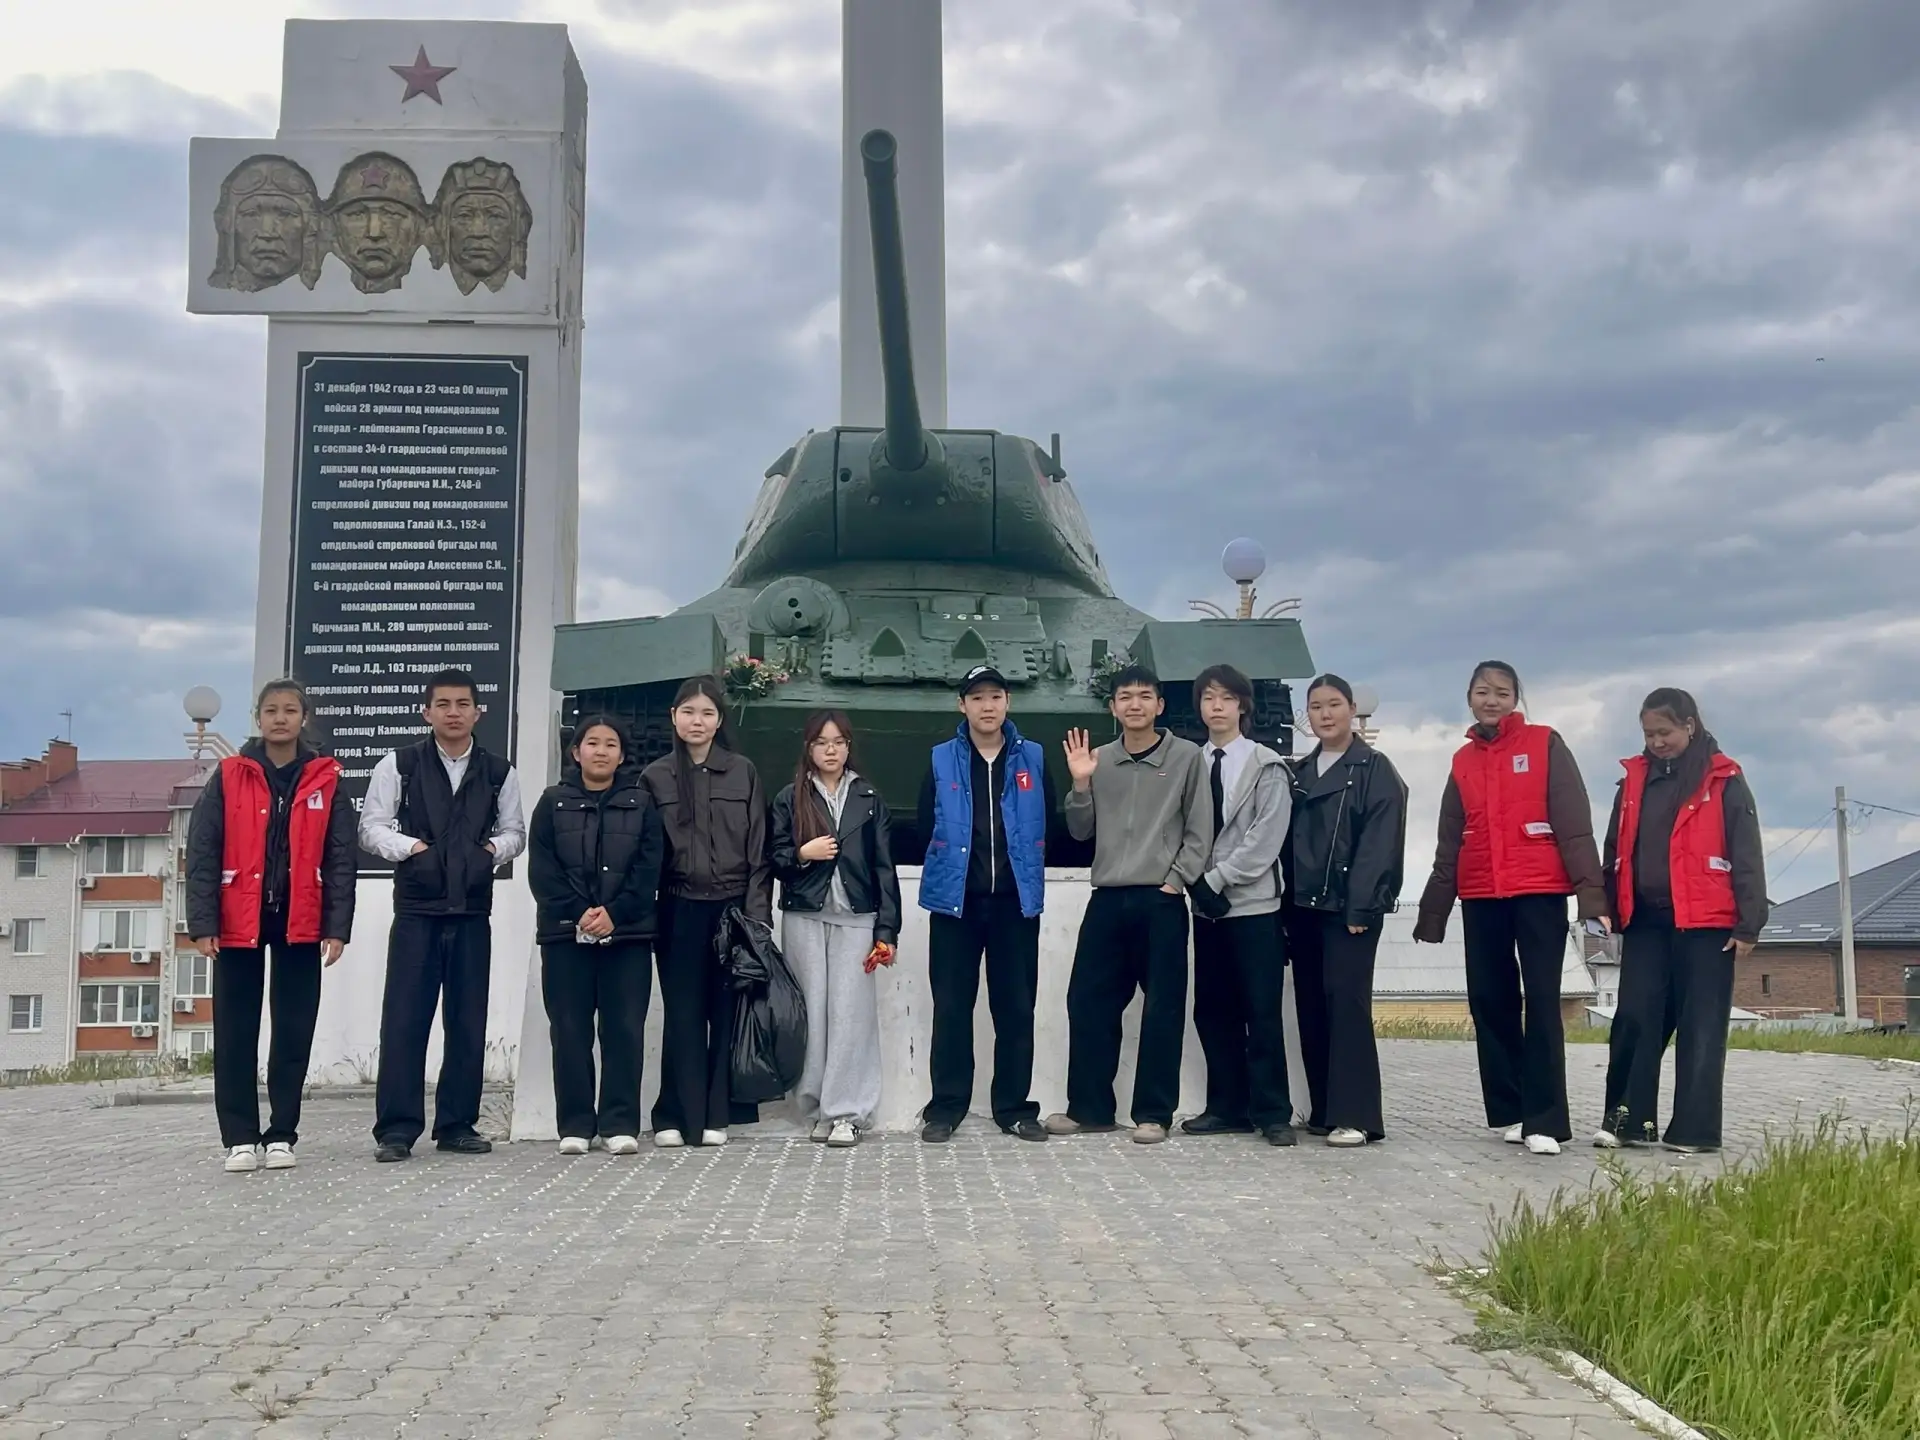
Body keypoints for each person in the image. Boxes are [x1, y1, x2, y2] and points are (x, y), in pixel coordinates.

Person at [1413, 662, 1606, 1156]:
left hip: (1539, 892)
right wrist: (1434, 911)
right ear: (1469, 698)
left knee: (1542, 1001)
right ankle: (1513, 1109)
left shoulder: (1545, 744)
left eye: (1502, 692)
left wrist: (1591, 894)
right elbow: (1449, 839)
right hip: (1481, 895)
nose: (1492, 700)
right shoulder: (1462, 761)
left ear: (1515, 698)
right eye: (1483, 692)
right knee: (1489, 1000)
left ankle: (1546, 1119)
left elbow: (1574, 823)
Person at [185, 679, 356, 1173]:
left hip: (300, 919)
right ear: (257, 718)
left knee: (293, 1030)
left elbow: (340, 859)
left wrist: (337, 926)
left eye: (290, 710)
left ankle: (282, 1134)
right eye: (271, 710)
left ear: (305, 718)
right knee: (235, 1031)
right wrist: (203, 922)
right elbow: (203, 851)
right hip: (237, 920)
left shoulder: (326, 778)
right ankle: (240, 1138)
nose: (280, 718)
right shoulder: (229, 775)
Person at [359, 667, 526, 1163]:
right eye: (444, 704)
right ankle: (396, 1129)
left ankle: (457, 1124)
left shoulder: (499, 772)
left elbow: (515, 832)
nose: (454, 713)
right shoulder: (400, 765)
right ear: (426, 712)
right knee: (404, 1021)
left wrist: (488, 852)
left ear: (478, 712)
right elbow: (371, 828)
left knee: (467, 1020)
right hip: (416, 910)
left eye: (463, 704)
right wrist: (413, 849)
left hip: (472, 910)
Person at [1595, 688, 1765, 1154]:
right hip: (1646, 921)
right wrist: (1606, 903)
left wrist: (1749, 923)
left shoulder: (1724, 779)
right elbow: (1614, 848)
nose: (1656, 742)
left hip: (1708, 924)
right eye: (1649, 733)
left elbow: (1746, 850)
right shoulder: (1633, 780)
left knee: (1701, 1026)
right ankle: (1628, 1121)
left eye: (1664, 732)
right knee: (1634, 1018)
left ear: (1689, 725)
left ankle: (1695, 1131)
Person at [1048, 664, 1210, 1145]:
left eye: (1144, 696)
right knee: (1087, 1003)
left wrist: (1176, 881)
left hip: (1161, 899)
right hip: (1107, 898)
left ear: (1160, 705)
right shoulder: (1098, 759)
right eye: (1125, 697)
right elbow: (1080, 831)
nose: (1134, 704)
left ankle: (1154, 1114)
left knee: (1162, 1008)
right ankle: (1089, 1109)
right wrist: (1080, 784)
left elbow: (1200, 829)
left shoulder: (1187, 757)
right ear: (1112, 707)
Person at [916, 665, 1056, 1144]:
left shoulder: (1033, 757)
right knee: (952, 1009)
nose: (987, 706)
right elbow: (924, 825)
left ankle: (1014, 1109)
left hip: (1015, 905)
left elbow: (1049, 823)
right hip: (955, 905)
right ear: (962, 706)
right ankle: (945, 1108)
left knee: (1015, 1009)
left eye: (995, 696)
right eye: (977, 698)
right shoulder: (941, 758)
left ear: (1008, 702)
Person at [640, 675, 773, 1148]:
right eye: (688, 712)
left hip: (732, 910)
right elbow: (644, 854)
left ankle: (718, 1113)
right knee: (682, 1014)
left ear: (719, 722)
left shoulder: (742, 772)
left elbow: (759, 852)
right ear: (674, 717)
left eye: (707, 713)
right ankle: (673, 1115)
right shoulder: (655, 776)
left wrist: (757, 919)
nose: (697, 721)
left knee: (726, 1010)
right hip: (677, 908)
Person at [527, 716, 664, 1158]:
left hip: (627, 936)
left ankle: (619, 1124)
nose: (601, 751)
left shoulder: (642, 804)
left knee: (624, 1030)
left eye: (610, 744)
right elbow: (543, 870)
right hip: (565, 936)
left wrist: (615, 914)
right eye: (592, 743)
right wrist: (579, 913)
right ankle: (575, 1125)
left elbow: (649, 869)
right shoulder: (552, 803)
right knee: (570, 1030)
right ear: (576, 751)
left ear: (622, 756)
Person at [1283, 673, 1408, 1147]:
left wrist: (1362, 905)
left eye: (1334, 704)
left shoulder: (1374, 769)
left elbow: (1380, 844)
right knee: (1311, 1005)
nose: (1326, 714)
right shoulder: (1299, 772)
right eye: (1316, 706)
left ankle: (1356, 1116)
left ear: (1352, 709)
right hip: (1303, 907)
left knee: (1347, 1006)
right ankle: (1323, 1110)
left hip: (1348, 910)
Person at [769, 711, 902, 1148]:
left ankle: (847, 1112)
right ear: (808, 748)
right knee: (811, 1014)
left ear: (849, 747)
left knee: (851, 1015)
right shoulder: (790, 797)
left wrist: (887, 930)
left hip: (857, 918)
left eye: (838, 742)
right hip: (804, 915)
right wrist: (802, 854)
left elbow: (884, 868)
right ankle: (814, 1108)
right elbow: (773, 858)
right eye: (821, 742)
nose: (831, 750)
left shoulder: (868, 798)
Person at [1180, 664, 1297, 1147]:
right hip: (1205, 910)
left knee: (1261, 1011)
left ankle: (1272, 1113)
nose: (1217, 706)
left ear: (1243, 705)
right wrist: (1193, 882)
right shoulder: (1191, 763)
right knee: (1213, 1010)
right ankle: (1226, 1108)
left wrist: (1216, 878)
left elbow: (1265, 837)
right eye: (1208, 698)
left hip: (1253, 907)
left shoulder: (1266, 765)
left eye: (1226, 698)